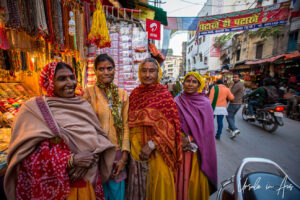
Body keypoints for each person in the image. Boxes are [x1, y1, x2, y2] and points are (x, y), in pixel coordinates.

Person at [4, 62, 116, 200]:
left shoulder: (82, 105)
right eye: (62, 79)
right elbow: (24, 156)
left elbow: (99, 138)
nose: (70, 83)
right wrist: (69, 160)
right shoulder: (33, 109)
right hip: (56, 190)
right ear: (50, 82)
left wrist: (92, 157)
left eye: (71, 77)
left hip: (86, 184)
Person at [127, 58, 182, 200]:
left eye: (152, 71)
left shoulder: (164, 95)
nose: (147, 75)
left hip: (158, 152)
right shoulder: (134, 94)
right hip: (136, 151)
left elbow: (170, 126)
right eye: (144, 71)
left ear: (158, 73)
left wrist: (151, 145)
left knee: (159, 190)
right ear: (139, 73)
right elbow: (130, 124)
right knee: (140, 190)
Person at [83, 54, 129, 200]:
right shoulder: (88, 94)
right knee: (98, 193)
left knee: (116, 193)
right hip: (96, 153)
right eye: (101, 69)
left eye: (109, 68)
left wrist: (124, 157)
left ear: (115, 70)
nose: (106, 72)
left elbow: (126, 126)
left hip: (116, 153)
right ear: (95, 71)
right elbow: (84, 125)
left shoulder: (122, 95)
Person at [175, 72, 217, 200]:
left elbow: (207, 131)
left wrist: (189, 139)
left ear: (199, 85)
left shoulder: (204, 103)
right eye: (188, 81)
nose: (190, 84)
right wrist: (178, 139)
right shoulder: (177, 100)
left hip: (195, 149)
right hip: (178, 145)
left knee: (192, 179)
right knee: (179, 177)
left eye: (194, 82)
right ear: (183, 83)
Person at [226, 73, 244, 138]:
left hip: (234, 103)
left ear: (239, 78)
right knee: (231, 116)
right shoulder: (239, 84)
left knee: (228, 116)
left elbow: (230, 93)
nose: (234, 78)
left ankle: (234, 129)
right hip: (238, 103)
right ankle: (230, 128)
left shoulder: (237, 85)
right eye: (233, 77)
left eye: (235, 77)